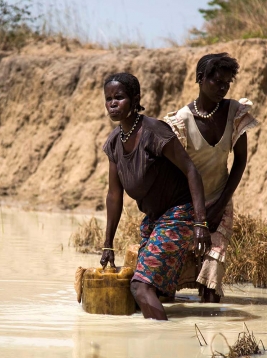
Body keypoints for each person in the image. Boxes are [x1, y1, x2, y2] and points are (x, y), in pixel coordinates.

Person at [100, 73, 211, 320]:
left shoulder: (154, 131)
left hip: (179, 213)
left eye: (119, 97)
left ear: (135, 99)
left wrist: (200, 223)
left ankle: (161, 341)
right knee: (151, 292)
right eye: (108, 99)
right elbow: (114, 195)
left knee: (140, 287)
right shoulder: (114, 142)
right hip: (154, 218)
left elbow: (191, 171)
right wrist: (108, 244)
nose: (113, 104)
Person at [163, 53, 258, 303]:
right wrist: (197, 217)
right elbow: (175, 172)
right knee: (171, 272)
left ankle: (209, 326)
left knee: (213, 269)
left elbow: (240, 161)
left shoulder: (234, 113)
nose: (223, 88)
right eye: (217, 81)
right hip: (186, 203)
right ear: (200, 79)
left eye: (227, 83)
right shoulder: (181, 122)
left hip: (220, 197)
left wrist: (220, 205)